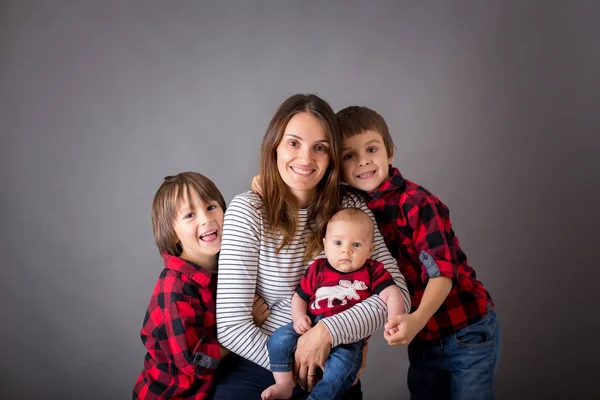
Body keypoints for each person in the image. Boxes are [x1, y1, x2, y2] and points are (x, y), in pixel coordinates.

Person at [213, 94, 410, 400]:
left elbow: (397, 294)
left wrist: (329, 331)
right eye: (293, 143)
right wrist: (293, 368)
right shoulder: (248, 211)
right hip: (261, 361)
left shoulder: (350, 207)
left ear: (331, 156)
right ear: (274, 146)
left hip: (333, 365)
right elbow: (231, 325)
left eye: (320, 148)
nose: (305, 159)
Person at [336, 106, 501, 400]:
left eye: (371, 149)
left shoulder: (416, 203)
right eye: (349, 155)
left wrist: (416, 319)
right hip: (423, 336)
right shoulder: (353, 212)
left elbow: (442, 273)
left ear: (390, 153)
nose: (363, 161)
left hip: (465, 327)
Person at [133, 172, 270, 400]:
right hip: (172, 395)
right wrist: (247, 325)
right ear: (173, 234)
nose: (206, 219)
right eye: (189, 215)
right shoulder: (175, 288)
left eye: (211, 207)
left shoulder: (225, 266)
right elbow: (195, 361)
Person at [262, 208, 406, 400]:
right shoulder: (317, 268)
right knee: (278, 339)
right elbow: (299, 297)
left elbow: (392, 293)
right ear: (326, 245)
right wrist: (298, 318)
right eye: (338, 243)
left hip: (349, 337)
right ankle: (284, 383)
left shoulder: (373, 270)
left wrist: (395, 319)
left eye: (356, 244)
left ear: (370, 250)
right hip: (311, 324)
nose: (346, 250)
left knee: (342, 369)